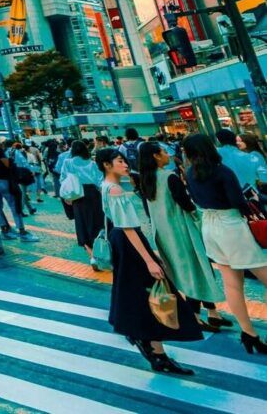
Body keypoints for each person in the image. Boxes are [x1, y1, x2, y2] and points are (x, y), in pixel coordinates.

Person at [96, 147, 199, 373]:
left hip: (121, 242)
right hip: (130, 241)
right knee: (153, 291)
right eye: (120, 161)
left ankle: (151, 346)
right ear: (107, 164)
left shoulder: (105, 186)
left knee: (138, 293)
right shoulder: (114, 190)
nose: (125, 164)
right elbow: (128, 227)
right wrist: (150, 260)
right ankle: (155, 350)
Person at [183, 134, 267, 354]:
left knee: (231, 283)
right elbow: (238, 202)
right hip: (231, 225)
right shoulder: (222, 172)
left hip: (209, 226)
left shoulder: (190, 173)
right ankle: (250, 335)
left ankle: (249, 333)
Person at [135, 141, 227, 332]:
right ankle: (195, 316)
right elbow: (186, 204)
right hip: (182, 229)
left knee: (191, 270)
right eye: (163, 152)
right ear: (155, 156)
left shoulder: (146, 180)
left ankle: (213, 313)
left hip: (163, 233)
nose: (167, 154)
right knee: (196, 270)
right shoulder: (169, 177)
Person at [0, 132, 39, 242]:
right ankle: (22, 231)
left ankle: (5, 230)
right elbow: (6, 163)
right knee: (14, 204)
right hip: (2, 179)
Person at [59, 140, 104, 267]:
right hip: (93, 195)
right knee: (97, 223)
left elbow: (63, 179)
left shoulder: (68, 163)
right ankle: (102, 251)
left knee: (82, 224)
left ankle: (92, 256)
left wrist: (68, 197)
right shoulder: (92, 163)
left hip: (78, 195)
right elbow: (99, 180)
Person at [215, 129, 260, 194]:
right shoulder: (247, 155)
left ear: (219, 140)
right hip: (252, 191)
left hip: (235, 192)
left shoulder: (218, 153)